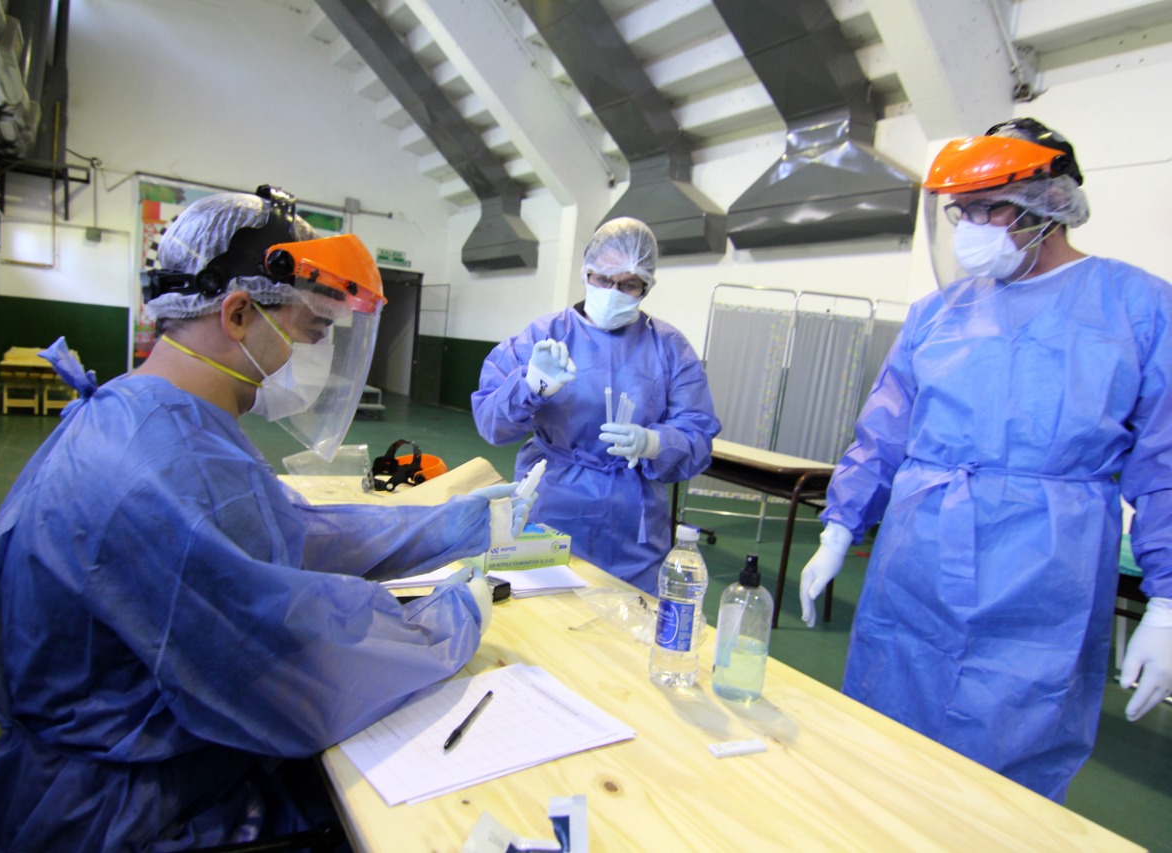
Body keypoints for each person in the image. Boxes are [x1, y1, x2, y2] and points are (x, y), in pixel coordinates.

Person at [0, 186, 533, 851]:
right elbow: (298, 662)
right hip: (125, 816)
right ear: (241, 313)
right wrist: (452, 619)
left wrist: (457, 522)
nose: (304, 365)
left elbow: (285, 532)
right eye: (311, 333)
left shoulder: (149, 412)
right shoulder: (163, 466)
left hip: (131, 772)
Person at [797, 119, 1172, 802]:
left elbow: (1166, 461)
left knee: (1006, 772)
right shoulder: (938, 313)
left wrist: (1169, 599)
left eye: (987, 207)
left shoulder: (1137, 307)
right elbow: (883, 432)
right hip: (916, 561)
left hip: (1042, 572)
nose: (969, 226)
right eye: (960, 210)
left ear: (1049, 202)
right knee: (884, 745)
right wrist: (840, 526)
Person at [471, 217, 720, 595]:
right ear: (587, 273)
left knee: (629, 627)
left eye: (628, 284)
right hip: (551, 507)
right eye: (604, 279)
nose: (613, 290)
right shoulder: (544, 337)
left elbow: (698, 435)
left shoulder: (669, 348)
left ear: (646, 287)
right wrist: (531, 385)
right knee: (546, 616)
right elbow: (492, 426)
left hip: (634, 527)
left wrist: (655, 443)